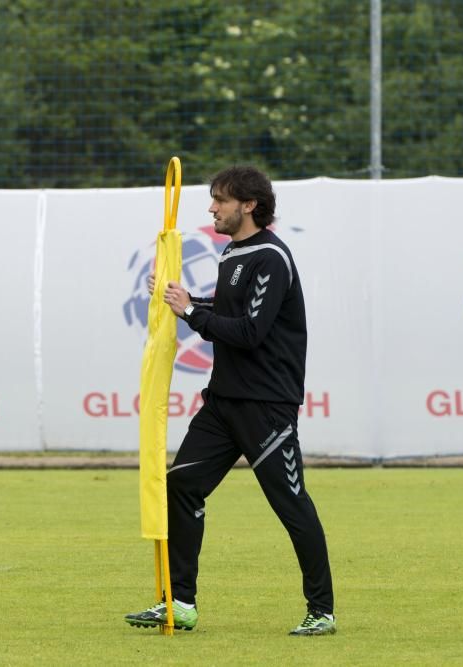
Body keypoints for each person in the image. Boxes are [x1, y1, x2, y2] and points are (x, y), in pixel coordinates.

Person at [124, 165, 336, 636]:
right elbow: (228, 309)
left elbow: (250, 332)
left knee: (291, 503)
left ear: (249, 205)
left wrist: (192, 313)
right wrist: (181, 298)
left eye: (220, 199)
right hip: (223, 402)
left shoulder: (271, 258)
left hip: (266, 405)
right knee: (181, 485)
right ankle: (180, 603)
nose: (211, 208)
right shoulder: (234, 252)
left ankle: (322, 610)